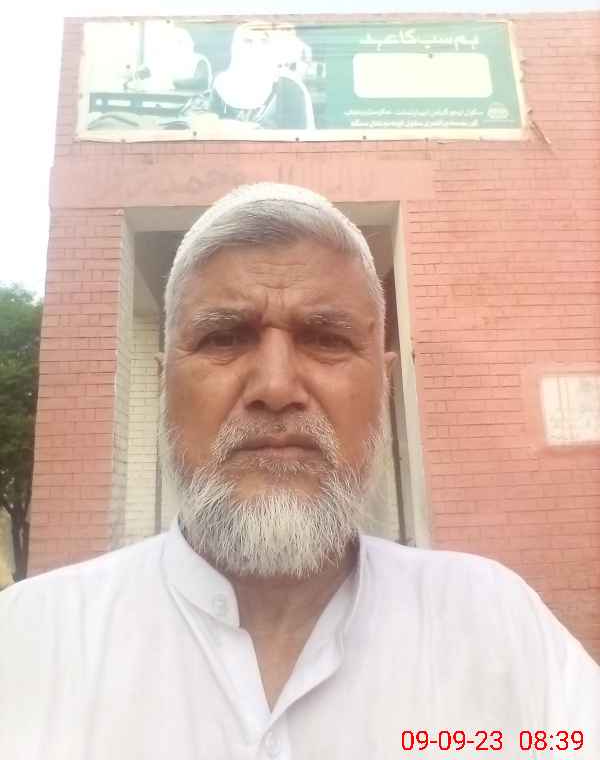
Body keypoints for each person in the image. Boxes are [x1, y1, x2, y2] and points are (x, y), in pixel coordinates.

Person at [0, 183, 598, 759]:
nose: (277, 386)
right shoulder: (29, 641)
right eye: (224, 338)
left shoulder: (496, 628)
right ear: (164, 383)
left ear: (385, 385)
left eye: (326, 338)